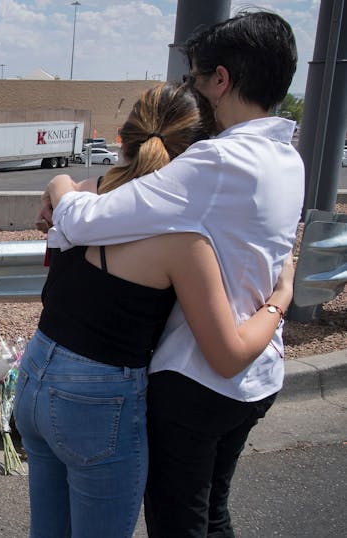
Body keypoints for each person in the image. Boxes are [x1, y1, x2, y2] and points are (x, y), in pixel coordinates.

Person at [39, 11, 302, 537]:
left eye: (196, 79)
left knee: (178, 525)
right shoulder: (286, 158)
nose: (194, 90)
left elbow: (87, 220)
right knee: (213, 514)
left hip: (197, 379)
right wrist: (280, 296)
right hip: (257, 378)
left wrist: (62, 186)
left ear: (221, 80)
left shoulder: (214, 163)